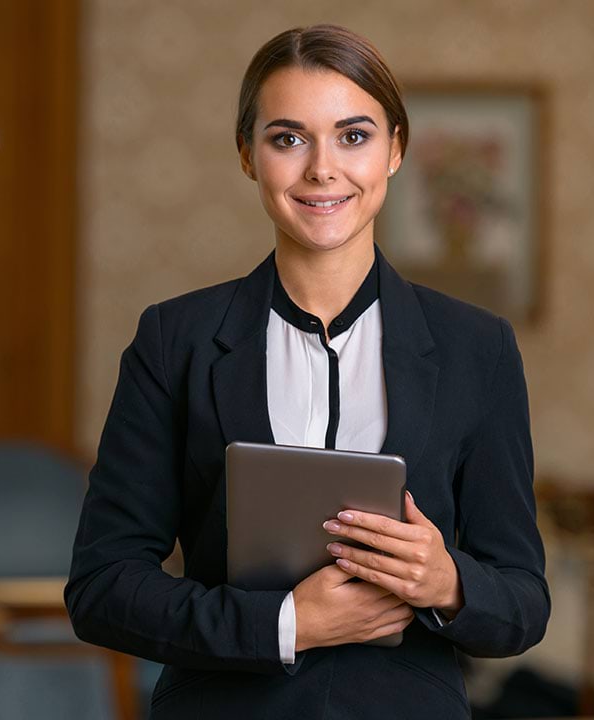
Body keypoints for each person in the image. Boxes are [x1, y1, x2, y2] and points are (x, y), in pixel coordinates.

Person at [65, 24, 550, 719]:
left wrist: (446, 582)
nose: (323, 169)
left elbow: (524, 604)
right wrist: (288, 624)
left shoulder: (479, 349)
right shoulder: (176, 341)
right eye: (288, 138)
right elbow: (102, 589)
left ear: (396, 150)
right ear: (247, 156)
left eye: (353, 136)